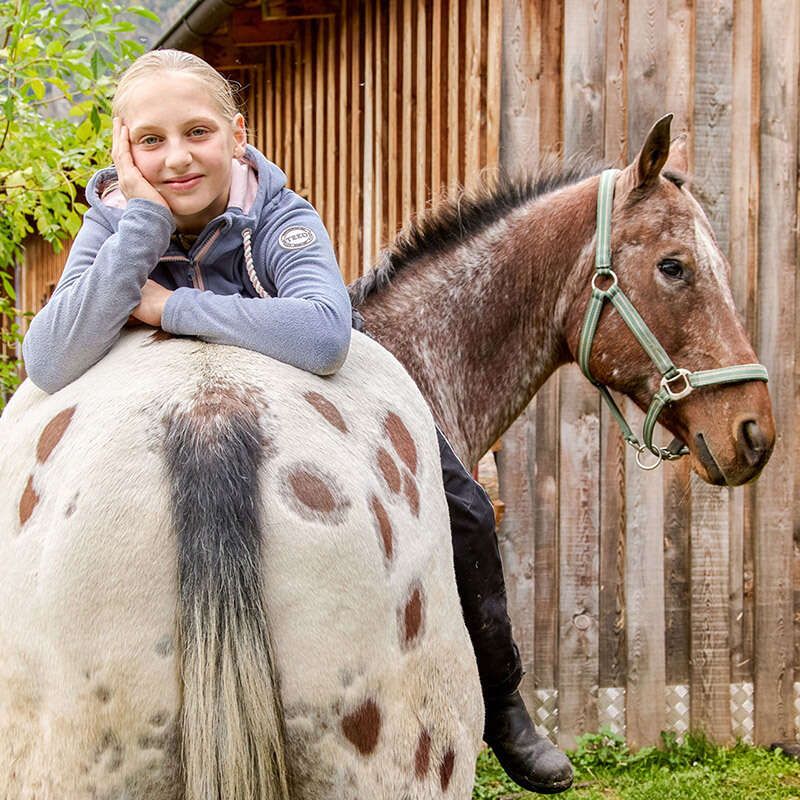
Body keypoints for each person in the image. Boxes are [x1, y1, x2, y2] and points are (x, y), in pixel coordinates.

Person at [21, 49, 572, 794]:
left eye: (197, 132)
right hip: (153, 389)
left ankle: (502, 703)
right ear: (123, 150)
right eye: (149, 141)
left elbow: (321, 333)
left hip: (289, 396)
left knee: (464, 506)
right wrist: (141, 220)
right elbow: (51, 358)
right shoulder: (115, 222)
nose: (177, 157)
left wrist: (168, 309)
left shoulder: (278, 213)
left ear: (237, 136)